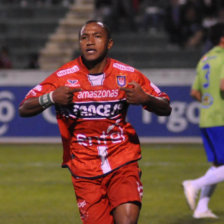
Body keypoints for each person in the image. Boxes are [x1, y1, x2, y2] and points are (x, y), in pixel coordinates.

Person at [19, 20, 172, 224]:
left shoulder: (127, 74)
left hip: (122, 161)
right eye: (84, 37)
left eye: (97, 36)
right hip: (84, 168)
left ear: (109, 44)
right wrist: (52, 98)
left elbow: (165, 105)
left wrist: (146, 99)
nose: (90, 42)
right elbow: (24, 107)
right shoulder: (63, 76)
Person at [182, 22, 224, 219]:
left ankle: (201, 209)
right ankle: (194, 184)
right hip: (221, 118)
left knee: (218, 167)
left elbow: (195, 92)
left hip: (207, 118)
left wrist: (210, 103)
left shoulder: (205, 59)